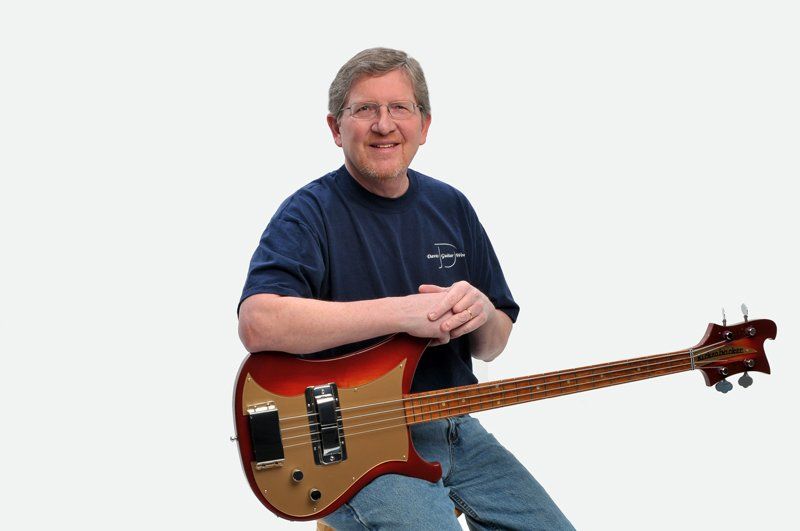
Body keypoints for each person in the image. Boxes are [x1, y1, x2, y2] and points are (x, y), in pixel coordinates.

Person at [238, 47, 574, 530]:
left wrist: (481, 311)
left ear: (424, 124)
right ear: (335, 128)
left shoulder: (451, 205)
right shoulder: (307, 213)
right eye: (365, 109)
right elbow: (258, 322)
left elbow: (493, 345)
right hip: (354, 446)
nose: (384, 124)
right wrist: (403, 313)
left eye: (399, 107)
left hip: (457, 429)